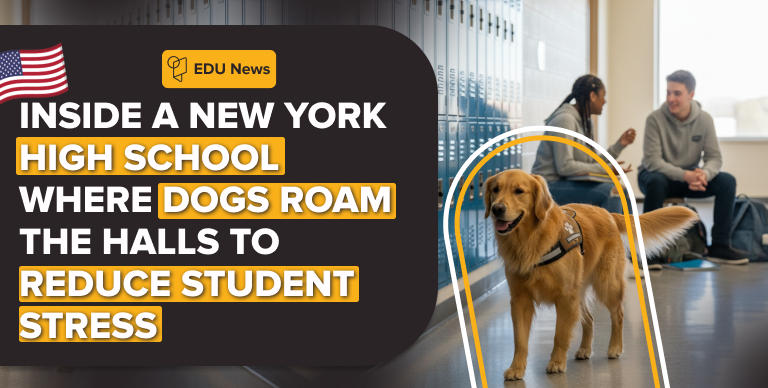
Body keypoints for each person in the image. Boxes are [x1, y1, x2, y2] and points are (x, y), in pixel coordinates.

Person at [638, 70, 748, 267]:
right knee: (655, 180)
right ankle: (649, 250)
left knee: (727, 181)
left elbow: (714, 157)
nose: (671, 98)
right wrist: (685, 175)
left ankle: (720, 246)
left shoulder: (705, 120)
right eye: (668, 92)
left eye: (677, 93)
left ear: (691, 95)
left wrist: (704, 174)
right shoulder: (654, 119)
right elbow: (653, 161)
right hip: (657, 176)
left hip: (690, 177)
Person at [532, 74, 635, 214]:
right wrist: (607, 169)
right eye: (603, 96)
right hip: (549, 186)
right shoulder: (565, 119)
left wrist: (619, 145)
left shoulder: (586, 122)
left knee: (623, 190)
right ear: (593, 96)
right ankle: (611, 236)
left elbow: (593, 162)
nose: (604, 101)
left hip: (568, 182)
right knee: (612, 192)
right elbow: (565, 166)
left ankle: (629, 236)